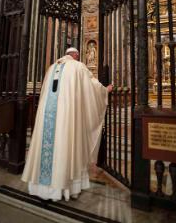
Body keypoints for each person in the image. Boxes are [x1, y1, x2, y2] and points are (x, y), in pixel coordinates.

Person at [22, 47, 113, 202]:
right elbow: (92, 87)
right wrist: (105, 90)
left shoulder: (51, 68)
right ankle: (65, 189)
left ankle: (39, 188)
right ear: (76, 56)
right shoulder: (78, 67)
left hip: (47, 117)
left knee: (47, 147)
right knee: (66, 146)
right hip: (67, 117)